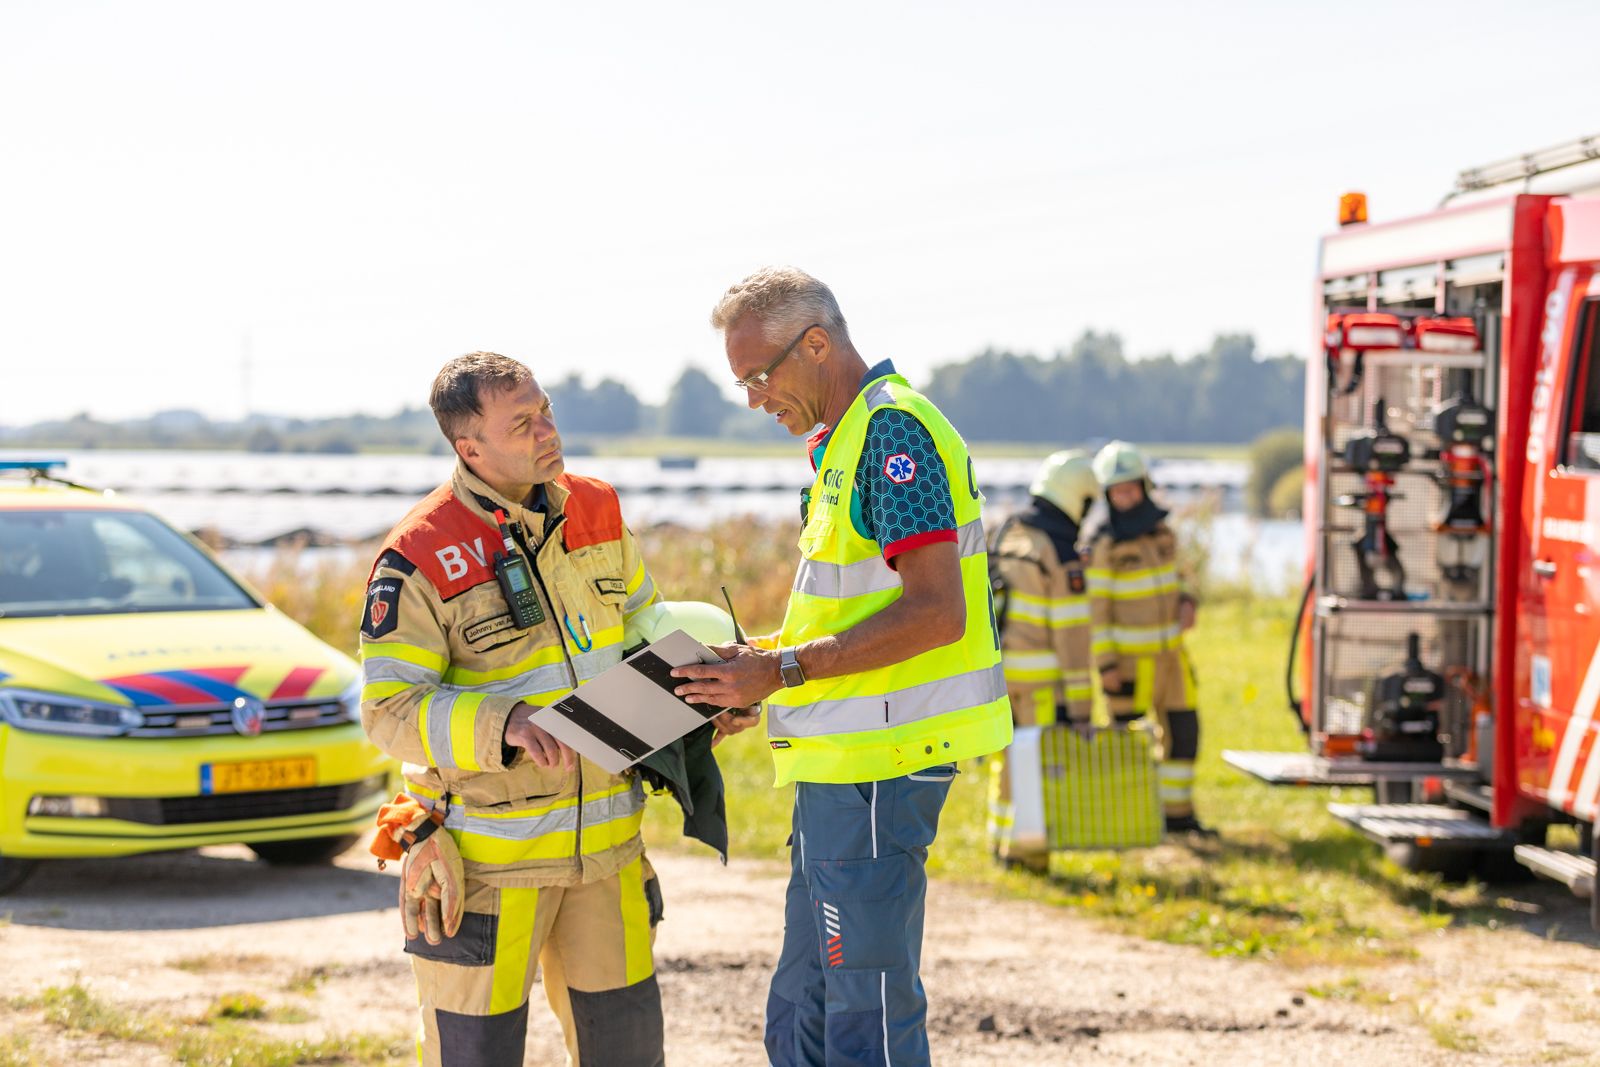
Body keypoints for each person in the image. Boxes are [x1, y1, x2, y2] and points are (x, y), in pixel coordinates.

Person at [360, 352, 755, 1067]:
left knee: (629, 1054)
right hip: (482, 871)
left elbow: (647, 625)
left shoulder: (598, 505)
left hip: (606, 859)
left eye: (545, 410)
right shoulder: (417, 553)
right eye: (523, 421)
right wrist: (504, 723)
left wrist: (705, 695)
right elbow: (389, 708)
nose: (547, 429)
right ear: (469, 446)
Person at [672, 267, 1012, 1067]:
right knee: (805, 1005)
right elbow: (846, 609)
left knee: (866, 1010)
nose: (756, 399)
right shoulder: (842, 443)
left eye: (761, 375)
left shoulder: (892, 434)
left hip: (879, 771)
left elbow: (936, 611)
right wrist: (757, 665)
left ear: (817, 343)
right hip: (842, 771)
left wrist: (782, 671)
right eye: (743, 382)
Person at [1085, 440, 1211, 836]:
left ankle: (1178, 818)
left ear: (1144, 486)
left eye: (1132, 488)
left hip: (1172, 658)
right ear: (1107, 495)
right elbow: (1095, 609)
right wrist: (1104, 665)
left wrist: (1188, 599)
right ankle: (1128, 822)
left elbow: (1181, 576)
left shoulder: (1162, 532)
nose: (1126, 497)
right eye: (1118, 491)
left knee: (1184, 734)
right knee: (1128, 745)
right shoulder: (1102, 543)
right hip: (1127, 665)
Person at [987, 449, 1100, 870]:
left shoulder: (1004, 532)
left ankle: (998, 842)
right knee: (1034, 767)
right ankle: (1027, 854)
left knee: (1005, 760)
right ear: (1078, 499)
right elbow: (1073, 639)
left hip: (996, 678)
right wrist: (1083, 710)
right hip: (1040, 684)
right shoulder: (1061, 552)